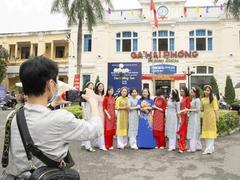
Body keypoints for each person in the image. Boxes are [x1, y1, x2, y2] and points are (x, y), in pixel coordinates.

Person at [5, 56, 102, 177]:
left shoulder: (13, 116)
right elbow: (95, 130)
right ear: (51, 84)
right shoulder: (60, 118)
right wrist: (93, 101)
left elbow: (35, 118)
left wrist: (54, 103)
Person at [201, 85, 219, 155]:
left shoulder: (213, 98)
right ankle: (210, 148)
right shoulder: (202, 99)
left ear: (210, 91)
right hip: (205, 117)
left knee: (211, 133)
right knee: (206, 133)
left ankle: (208, 149)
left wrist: (217, 118)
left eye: (208, 90)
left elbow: (216, 109)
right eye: (205, 90)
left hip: (212, 117)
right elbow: (201, 109)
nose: (206, 91)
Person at [81, 81, 96, 152]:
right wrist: (84, 114)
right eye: (90, 85)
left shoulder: (93, 94)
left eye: (92, 85)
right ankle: (88, 146)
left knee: (86, 129)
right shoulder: (85, 93)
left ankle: (84, 143)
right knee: (88, 129)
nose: (91, 86)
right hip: (87, 113)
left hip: (92, 113)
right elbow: (83, 105)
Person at [187, 87, 202, 152]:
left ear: (195, 93)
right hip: (192, 116)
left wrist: (189, 110)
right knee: (194, 131)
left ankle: (193, 148)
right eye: (191, 92)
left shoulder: (197, 100)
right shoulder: (193, 99)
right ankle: (198, 146)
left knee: (193, 131)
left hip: (195, 117)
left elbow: (198, 109)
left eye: (192, 92)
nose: (191, 93)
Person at [177, 87, 191, 153]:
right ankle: (182, 146)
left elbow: (187, 108)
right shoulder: (182, 98)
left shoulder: (187, 98)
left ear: (186, 91)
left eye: (182, 91)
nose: (181, 92)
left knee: (183, 132)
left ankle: (182, 147)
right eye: (181, 91)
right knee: (181, 132)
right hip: (182, 116)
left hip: (185, 117)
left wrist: (180, 112)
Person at [95, 82, 107, 151]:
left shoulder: (104, 96)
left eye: (102, 86)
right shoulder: (95, 96)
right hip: (97, 113)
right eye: (99, 86)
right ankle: (101, 145)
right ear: (97, 88)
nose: (101, 88)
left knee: (102, 128)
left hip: (103, 113)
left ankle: (100, 143)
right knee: (99, 128)